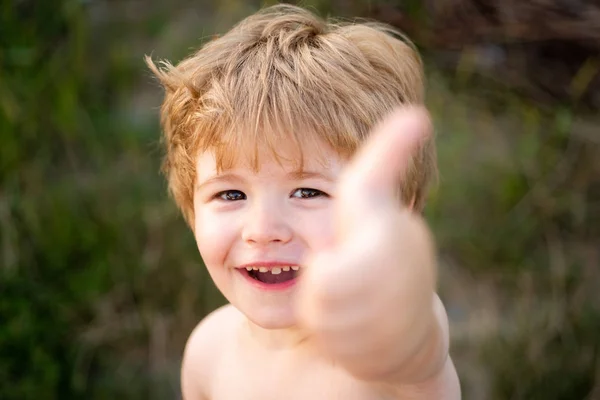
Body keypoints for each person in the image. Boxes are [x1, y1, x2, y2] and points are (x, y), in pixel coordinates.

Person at [146, 3, 460, 399]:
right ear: (192, 209)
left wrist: (398, 305)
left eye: (309, 192)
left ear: (401, 208)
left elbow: (414, 347)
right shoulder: (207, 351)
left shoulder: (381, 362)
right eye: (231, 194)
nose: (263, 231)